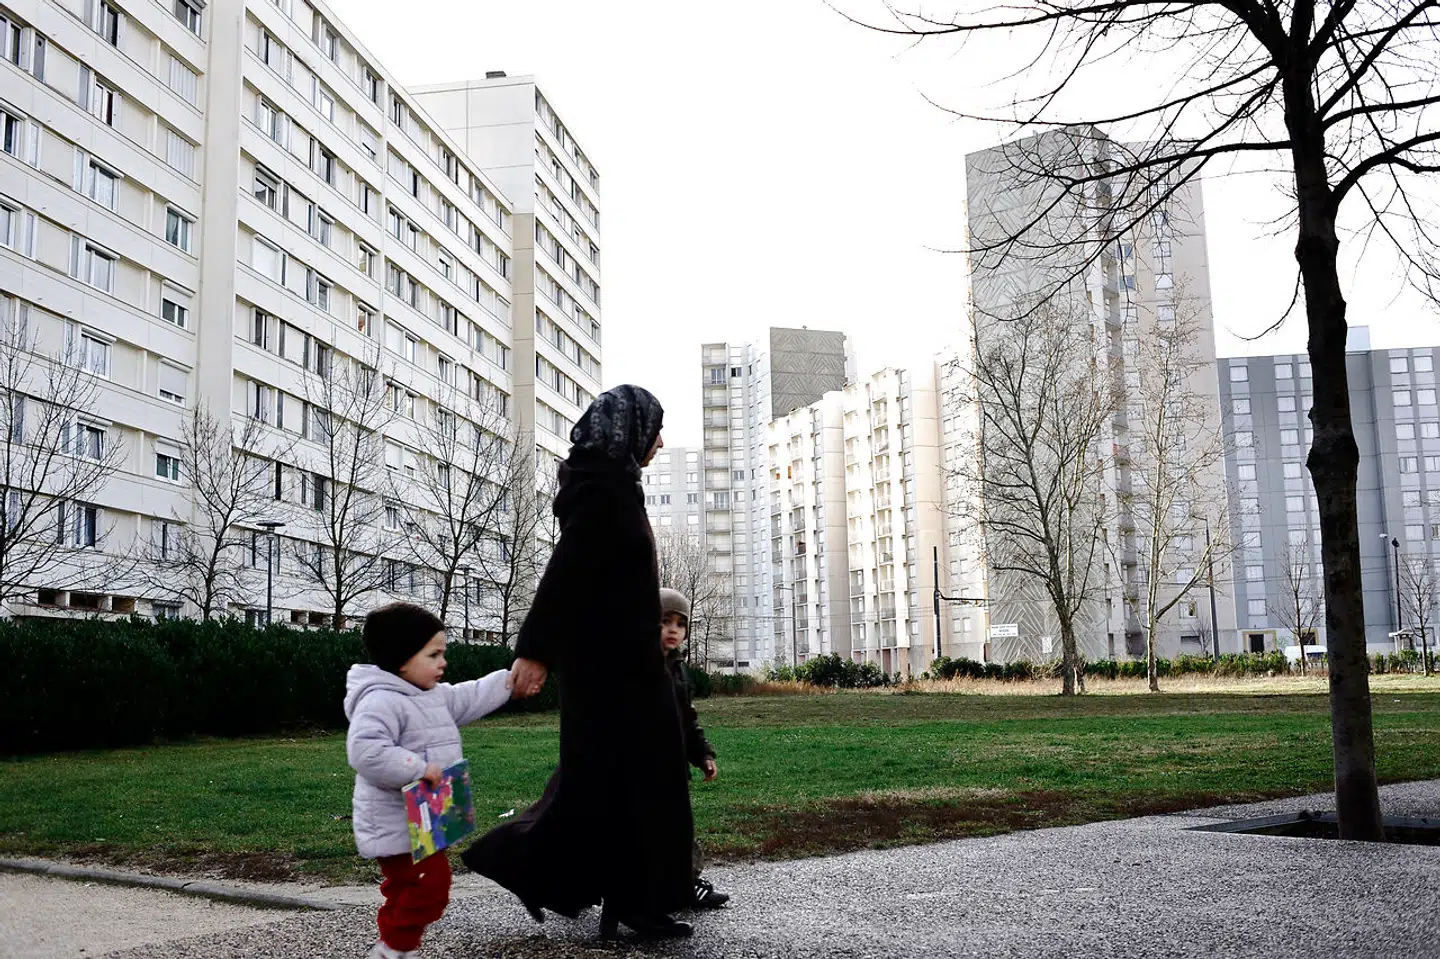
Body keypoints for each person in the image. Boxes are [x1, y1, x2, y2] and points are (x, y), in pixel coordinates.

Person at [462, 385, 696, 941]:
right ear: (628, 431)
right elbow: (566, 571)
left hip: (623, 670)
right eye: (653, 429)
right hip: (613, 675)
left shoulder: (611, 486)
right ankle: (529, 864)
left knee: (616, 786)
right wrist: (536, 651)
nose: (660, 441)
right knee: (635, 783)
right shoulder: (603, 490)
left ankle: (632, 902)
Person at [345, 602, 516, 959]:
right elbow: (366, 752)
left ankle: (393, 945)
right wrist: (416, 768)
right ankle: (395, 947)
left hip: (423, 820)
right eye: (434, 654)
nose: (443, 663)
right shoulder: (380, 700)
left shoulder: (432, 695)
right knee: (430, 888)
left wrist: (509, 680)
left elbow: (470, 695)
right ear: (403, 658)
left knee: (407, 889)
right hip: (395, 823)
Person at [658, 587, 730, 910]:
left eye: (680, 624)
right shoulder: (640, 666)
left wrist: (703, 755)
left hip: (673, 769)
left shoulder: (678, 670)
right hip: (641, 767)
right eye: (664, 622)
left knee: (679, 829)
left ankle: (687, 884)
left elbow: (687, 721)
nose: (673, 630)